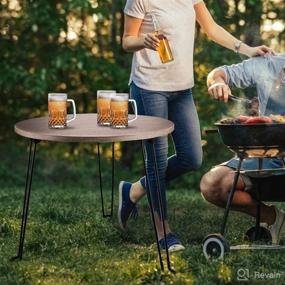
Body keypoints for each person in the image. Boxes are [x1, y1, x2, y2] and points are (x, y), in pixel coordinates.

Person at [118, 0, 273, 252]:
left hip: (181, 90)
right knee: (155, 161)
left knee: (191, 157)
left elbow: (211, 29)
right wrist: (143, 41)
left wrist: (248, 50)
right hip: (149, 87)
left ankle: (134, 190)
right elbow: (127, 41)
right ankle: (163, 233)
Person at [200, 54, 285, 244]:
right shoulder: (270, 64)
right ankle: (271, 217)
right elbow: (220, 73)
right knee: (213, 184)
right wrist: (217, 82)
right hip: (269, 157)